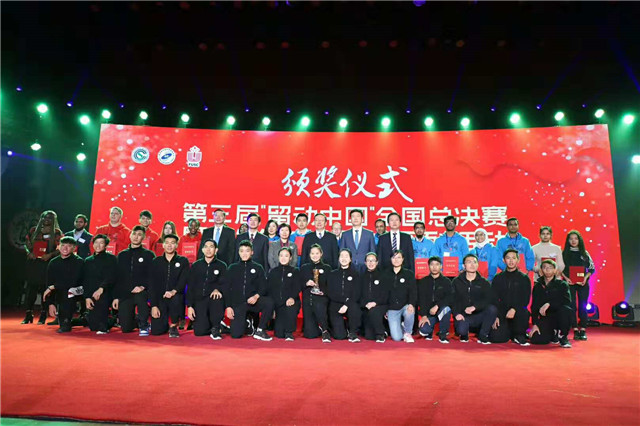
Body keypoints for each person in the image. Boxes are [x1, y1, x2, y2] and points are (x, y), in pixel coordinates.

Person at [224, 240, 274, 341]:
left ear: (252, 252)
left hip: (253, 302)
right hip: (238, 304)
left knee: (269, 302)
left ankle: (260, 330)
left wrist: (256, 296)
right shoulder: (232, 268)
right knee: (236, 335)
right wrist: (228, 306)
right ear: (238, 252)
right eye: (242, 251)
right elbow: (226, 288)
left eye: (247, 251)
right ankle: (247, 322)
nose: (244, 253)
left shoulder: (258, 267)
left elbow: (264, 287)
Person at [22, 210, 63, 325]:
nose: (47, 219)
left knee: (45, 289)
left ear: (54, 219)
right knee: (31, 289)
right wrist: (29, 253)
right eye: (45, 217)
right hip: (34, 263)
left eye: (49, 218)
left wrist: (50, 255)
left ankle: (43, 314)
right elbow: (26, 244)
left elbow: (60, 248)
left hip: (47, 264)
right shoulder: (33, 230)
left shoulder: (57, 232)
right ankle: (28, 314)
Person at [112, 226, 155, 336]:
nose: (136, 237)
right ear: (130, 236)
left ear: (143, 238)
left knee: (141, 298)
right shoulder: (122, 255)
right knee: (126, 328)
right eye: (134, 234)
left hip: (142, 291)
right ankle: (135, 322)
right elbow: (117, 277)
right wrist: (116, 297)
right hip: (126, 293)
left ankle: (144, 324)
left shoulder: (149, 255)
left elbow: (152, 275)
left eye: (139, 235)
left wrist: (142, 286)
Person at [186, 239, 228, 340]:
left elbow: (225, 283)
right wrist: (190, 306)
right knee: (199, 332)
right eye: (206, 247)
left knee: (217, 297)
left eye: (211, 247)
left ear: (216, 250)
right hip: (200, 300)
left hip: (213, 299)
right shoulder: (196, 265)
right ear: (202, 250)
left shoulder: (222, 265)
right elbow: (191, 287)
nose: (208, 249)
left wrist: (218, 289)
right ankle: (219, 327)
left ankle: (216, 327)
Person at [149, 234, 189, 338]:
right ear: (163, 245)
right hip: (160, 298)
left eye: (172, 243)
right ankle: (164, 324)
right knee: (156, 331)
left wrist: (173, 291)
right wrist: (154, 305)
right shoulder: (156, 261)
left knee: (177, 298)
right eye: (167, 243)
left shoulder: (183, 261)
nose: (169, 245)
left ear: (176, 245)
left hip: (175, 296)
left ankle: (174, 325)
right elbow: (152, 284)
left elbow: (183, 281)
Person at [452, 254, 497, 344]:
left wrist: (475, 307)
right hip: (463, 316)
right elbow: (452, 299)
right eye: (469, 262)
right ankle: (465, 333)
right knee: (461, 331)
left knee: (492, 309)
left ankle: (483, 335)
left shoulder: (484, 282)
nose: (472, 265)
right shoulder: (456, 281)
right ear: (464, 265)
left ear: (478, 265)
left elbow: (489, 299)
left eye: (475, 262)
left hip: (478, 315)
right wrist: (456, 313)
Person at [489, 249, 531, 345]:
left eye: (513, 258)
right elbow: (493, 298)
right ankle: (509, 332)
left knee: (524, 311)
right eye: (508, 258)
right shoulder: (498, 278)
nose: (511, 261)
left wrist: (514, 309)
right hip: (502, 312)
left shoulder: (524, 278)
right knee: (496, 338)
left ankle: (519, 334)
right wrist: (496, 315)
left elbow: (525, 299)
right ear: (504, 260)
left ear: (518, 260)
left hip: (518, 311)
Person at [42, 237, 84, 333]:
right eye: (63, 245)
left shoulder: (79, 261)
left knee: (68, 291)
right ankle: (66, 319)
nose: (65, 248)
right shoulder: (53, 262)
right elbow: (49, 283)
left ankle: (66, 320)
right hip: (60, 289)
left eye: (69, 246)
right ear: (58, 247)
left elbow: (73, 282)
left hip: (79, 290)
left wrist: (53, 287)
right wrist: (51, 303)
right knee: (48, 291)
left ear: (74, 248)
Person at [530, 259, 572, 348]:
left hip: (559, 315)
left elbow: (566, 301)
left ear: (555, 270)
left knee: (566, 310)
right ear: (541, 270)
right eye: (545, 267)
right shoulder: (538, 286)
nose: (547, 269)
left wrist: (549, 304)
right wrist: (535, 324)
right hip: (545, 317)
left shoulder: (562, 284)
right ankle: (553, 333)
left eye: (550, 267)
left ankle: (563, 336)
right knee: (536, 339)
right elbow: (534, 305)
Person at [561, 230, 595, 341]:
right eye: (571, 239)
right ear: (568, 241)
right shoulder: (564, 253)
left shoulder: (584, 253)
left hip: (583, 283)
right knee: (571, 306)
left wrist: (585, 278)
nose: (573, 241)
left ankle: (583, 329)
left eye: (575, 238)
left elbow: (592, 268)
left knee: (583, 306)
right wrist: (566, 279)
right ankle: (575, 329)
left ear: (579, 240)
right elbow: (559, 269)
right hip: (569, 283)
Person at [83, 234, 118, 334]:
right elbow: (86, 280)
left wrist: (101, 288)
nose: (98, 245)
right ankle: (111, 321)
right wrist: (87, 297)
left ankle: (108, 322)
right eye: (96, 243)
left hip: (107, 291)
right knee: (93, 327)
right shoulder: (88, 261)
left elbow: (111, 277)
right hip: (92, 293)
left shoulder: (112, 259)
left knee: (102, 327)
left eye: (101, 243)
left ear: (106, 245)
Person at [265, 247, 301, 340]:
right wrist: (272, 308)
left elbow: (297, 287)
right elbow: (269, 290)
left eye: (286, 256)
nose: (283, 258)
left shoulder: (295, 271)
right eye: (281, 255)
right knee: (279, 334)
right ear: (278, 257)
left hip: (291, 301)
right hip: (278, 304)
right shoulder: (273, 272)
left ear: (290, 257)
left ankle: (289, 332)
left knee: (290, 308)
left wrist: (292, 297)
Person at [417, 256, 454, 344]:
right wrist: (424, 315)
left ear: (441, 266)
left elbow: (449, 298)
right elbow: (421, 300)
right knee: (423, 331)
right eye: (432, 265)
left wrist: (437, 306)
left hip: (441, 311)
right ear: (428, 266)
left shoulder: (446, 281)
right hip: (429, 313)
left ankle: (443, 334)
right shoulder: (423, 281)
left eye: (437, 264)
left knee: (446, 309)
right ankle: (430, 331)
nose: (434, 267)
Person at [327, 249, 362, 342]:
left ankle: (353, 332)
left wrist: (346, 304)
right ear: (339, 259)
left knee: (355, 308)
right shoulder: (332, 274)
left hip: (350, 303)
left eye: (346, 256)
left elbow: (357, 293)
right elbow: (330, 292)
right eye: (341, 256)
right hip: (336, 304)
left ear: (350, 259)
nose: (344, 258)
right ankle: (343, 327)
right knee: (339, 336)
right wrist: (341, 302)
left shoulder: (355, 274)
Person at [383, 250, 417, 343]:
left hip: (405, 305)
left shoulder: (409, 274)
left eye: (399, 257)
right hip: (392, 308)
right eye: (394, 257)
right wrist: (385, 309)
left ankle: (408, 333)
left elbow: (413, 291)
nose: (396, 260)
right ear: (390, 259)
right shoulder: (385, 274)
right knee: (397, 338)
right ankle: (401, 327)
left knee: (410, 312)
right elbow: (383, 293)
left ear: (402, 259)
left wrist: (411, 304)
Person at [300, 244, 332, 342]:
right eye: (312, 253)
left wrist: (323, 292)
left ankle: (325, 330)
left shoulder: (327, 268)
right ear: (309, 255)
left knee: (319, 305)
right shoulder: (304, 267)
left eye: (317, 253)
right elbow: (299, 284)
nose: (315, 255)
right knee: (310, 335)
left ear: (321, 254)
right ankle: (316, 328)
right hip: (308, 299)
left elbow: (330, 285)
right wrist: (306, 283)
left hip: (321, 298)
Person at [359, 253, 389, 343]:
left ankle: (380, 334)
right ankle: (383, 330)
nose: (370, 263)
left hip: (380, 305)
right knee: (369, 336)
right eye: (368, 260)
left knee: (374, 311)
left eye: (373, 260)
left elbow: (386, 294)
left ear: (377, 262)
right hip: (366, 306)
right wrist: (365, 304)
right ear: (365, 263)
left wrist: (375, 303)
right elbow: (358, 294)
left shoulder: (383, 276)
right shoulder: (361, 276)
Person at [340, 209, 376, 273]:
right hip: (349, 266)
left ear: (362, 219)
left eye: (358, 216)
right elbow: (341, 251)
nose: (355, 218)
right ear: (350, 219)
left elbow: (372, 251)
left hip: (365, 267)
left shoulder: (369, 234)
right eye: (353, 216)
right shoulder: (345, 234)